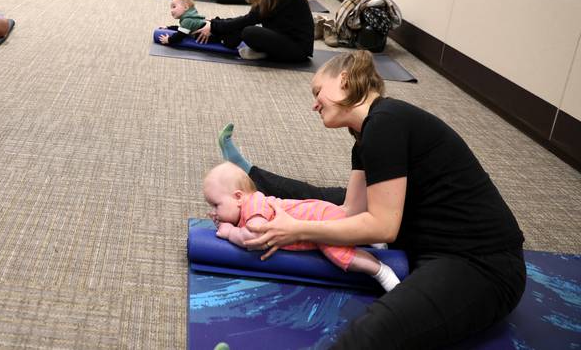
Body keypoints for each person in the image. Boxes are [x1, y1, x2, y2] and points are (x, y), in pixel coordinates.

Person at [216, 51, 526, 349]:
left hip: (483, 265)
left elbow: (382, 227)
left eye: (318, 91)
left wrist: (297, 230)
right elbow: (349, 211)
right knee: (327, 199)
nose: (314, 105)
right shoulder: (369, 134)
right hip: (426, 242)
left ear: (345, 81)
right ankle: (252, 175)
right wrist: (290, 217)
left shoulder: (386, 123)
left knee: (374, 331)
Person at [203, 161, 400, 292]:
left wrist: (230, 232)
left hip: (320, 218)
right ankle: (372, 240)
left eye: (216, 205)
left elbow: (254, 239)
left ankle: (380, 270)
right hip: (321, 213)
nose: (214, 211)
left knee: (338, 253)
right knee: (342, 235)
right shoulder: (248, 207)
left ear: (238, 197)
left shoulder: (254, 205)